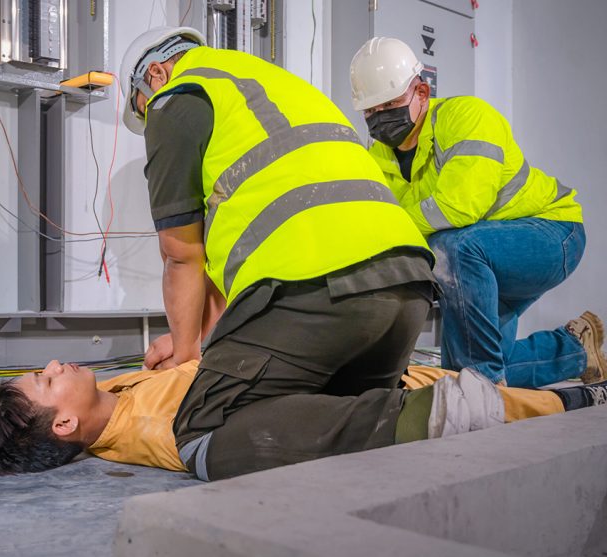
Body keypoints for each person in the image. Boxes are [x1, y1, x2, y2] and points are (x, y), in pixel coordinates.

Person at [118, 27, 440, 472]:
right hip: (409, 288)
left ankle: (426, 417)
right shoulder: (270, 82)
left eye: (142, 107)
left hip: (321, 290)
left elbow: (181, 255)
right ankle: (432, 414)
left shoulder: (174, 98)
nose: (149, 117)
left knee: (199, 431)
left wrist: (186, 352)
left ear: (154, 74)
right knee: (327, 417)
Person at [349, 37, 606, 388]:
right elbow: (378, 221)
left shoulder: (466, 117)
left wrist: (391, 230)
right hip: (483, 257)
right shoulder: (379, 155)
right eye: (371, 111)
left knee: (452, 247)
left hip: (551, 234)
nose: (381, 118)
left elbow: (458, 207)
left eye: (390, 104)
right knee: (462, 364)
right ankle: (575, 351)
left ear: (421, 93)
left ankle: (481, 386)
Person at [0, 359, 607, 481]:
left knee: (488, 377)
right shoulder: (164, 433)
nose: (53, 363)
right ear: (66, 426)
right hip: (383, 390)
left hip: (387, 374)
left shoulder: (120, 393)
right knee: (491, 399)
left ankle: (574, 369)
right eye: (47, 382)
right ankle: (582, 398)